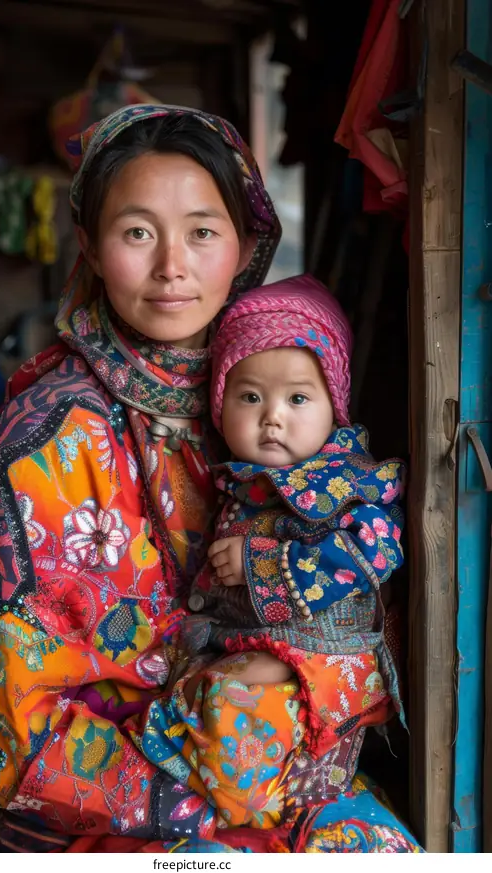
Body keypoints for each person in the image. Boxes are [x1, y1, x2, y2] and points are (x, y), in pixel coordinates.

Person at [0, 104, 422, 853]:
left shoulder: (282, 405)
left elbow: (358, 617)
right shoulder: (43, 438)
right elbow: (5, 721)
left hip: (289, 763)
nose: (172, 265)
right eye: (137, 232)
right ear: (90, 246)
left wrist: (288, 727)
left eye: (202, 232)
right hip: (119, 798)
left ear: (247, 244)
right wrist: (209, 797)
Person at [122, 277, 405, 830]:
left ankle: (244, 797)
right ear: (220, 404)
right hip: (254, 640)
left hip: (325, 653)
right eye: (250, 397)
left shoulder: (346, 481)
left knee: (241, 690)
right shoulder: (240, 484)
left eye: (297, 399)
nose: (272, 416)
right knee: (186, 682)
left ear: (334, 406)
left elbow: (375, 550)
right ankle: (219, 786)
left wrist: (262, 567)